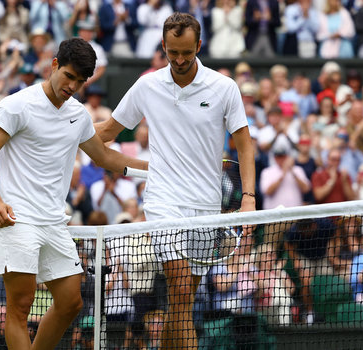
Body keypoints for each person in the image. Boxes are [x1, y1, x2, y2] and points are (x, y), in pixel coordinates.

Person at [0, 38, 147, 350]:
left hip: (54, 222)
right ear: (54, 65)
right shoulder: (17, 105)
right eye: (68, 75)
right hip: (17, 219)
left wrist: (157, 169)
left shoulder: (78, 115)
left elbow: (105, 158)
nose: (72, 85)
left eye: (80, 81)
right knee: (21, 307)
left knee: (71, 303)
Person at [95, 13, 255, 349]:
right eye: (172, 53)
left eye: (186, 52)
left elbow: (243, 142)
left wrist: (249, 197)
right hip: (163, 200)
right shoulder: (147, 85)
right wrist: (61, 135)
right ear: (163, 47)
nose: (179, 60)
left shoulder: (225, 87)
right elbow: (105, 133)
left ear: (199, 46)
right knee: (181, 288)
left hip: (207, 205)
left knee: (183, 301)